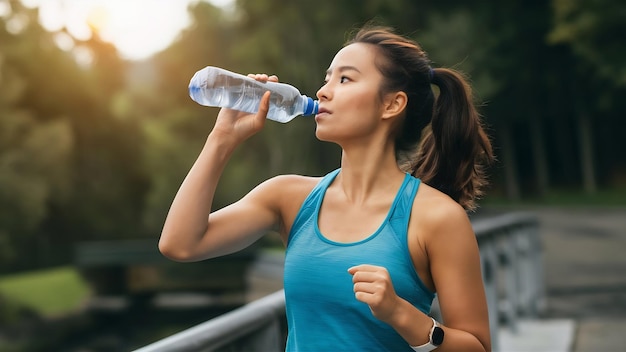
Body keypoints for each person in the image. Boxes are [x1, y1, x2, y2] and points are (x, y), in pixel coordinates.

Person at [159, 24, 494, 352]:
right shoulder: (288, 197)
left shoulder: (437, 217)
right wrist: (222, 140)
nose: (323, 91)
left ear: (391, 104)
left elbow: (477, 346)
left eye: (345, 79)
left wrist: (402, 314)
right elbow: (181, 244)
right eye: (327, 78)